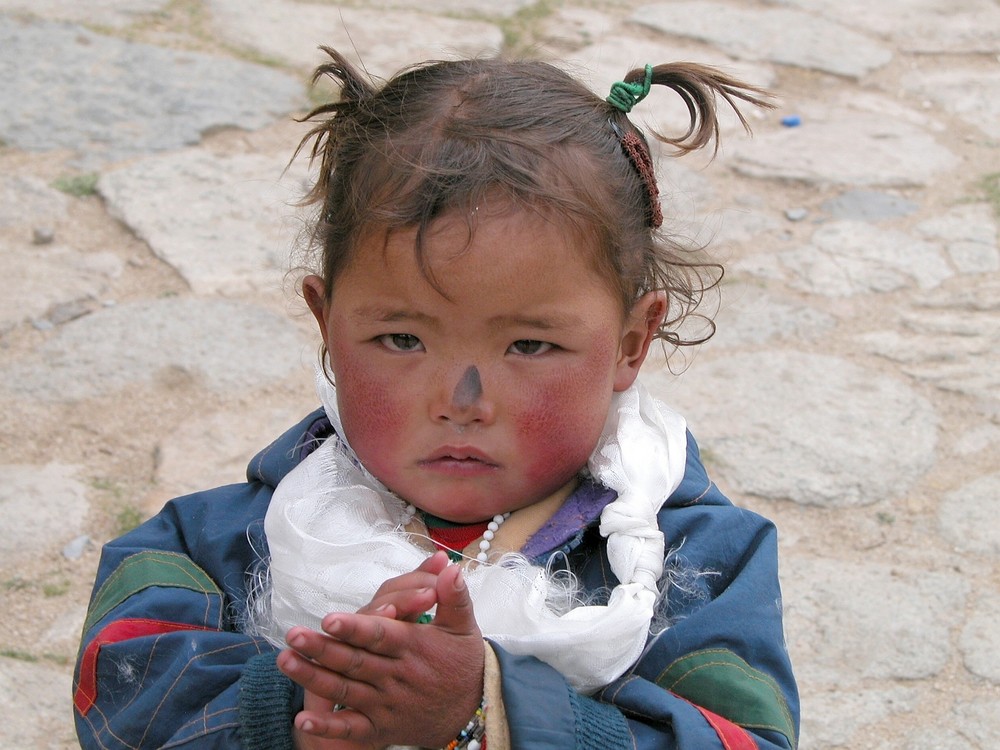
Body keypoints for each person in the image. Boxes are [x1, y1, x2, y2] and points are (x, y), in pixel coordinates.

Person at [73, 48, 798, 750]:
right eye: (401, 340)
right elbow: (123, 683)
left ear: (632, 343)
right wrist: (304, 702)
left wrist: (488, 707)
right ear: (328, 324)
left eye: (529, 346)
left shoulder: (702, 566)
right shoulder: (211, 545)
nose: (460, 402)